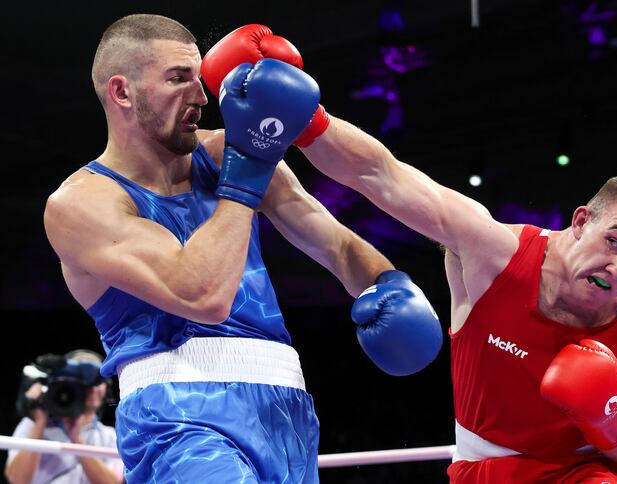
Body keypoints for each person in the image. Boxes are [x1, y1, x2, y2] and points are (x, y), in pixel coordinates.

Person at [204, 25, 617, 481]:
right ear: (580, 222)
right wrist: (302, 119)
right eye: (614, 242)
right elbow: (381, 176)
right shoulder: (494, 251)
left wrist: (608, 422)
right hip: (486, 469)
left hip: (586, 472)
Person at [43, 14, 442, 483]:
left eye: (199, 77)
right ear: (122, 92)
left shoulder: (220, 155)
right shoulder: (82, 203)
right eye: (178, 79)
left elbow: (333, 242)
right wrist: (249, 167)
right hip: (179, 418)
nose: (201, 95)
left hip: (286, 411)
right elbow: (202, 294)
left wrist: (388, 283)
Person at [5, 350, 124, 484]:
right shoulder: (32, 425)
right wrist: (39, 423)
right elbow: (17, 480)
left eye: (96, 380)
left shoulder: (110, 436)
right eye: (83, 379)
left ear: (106, 388)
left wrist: (77, 440)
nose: (92, 387)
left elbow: (113, 483)